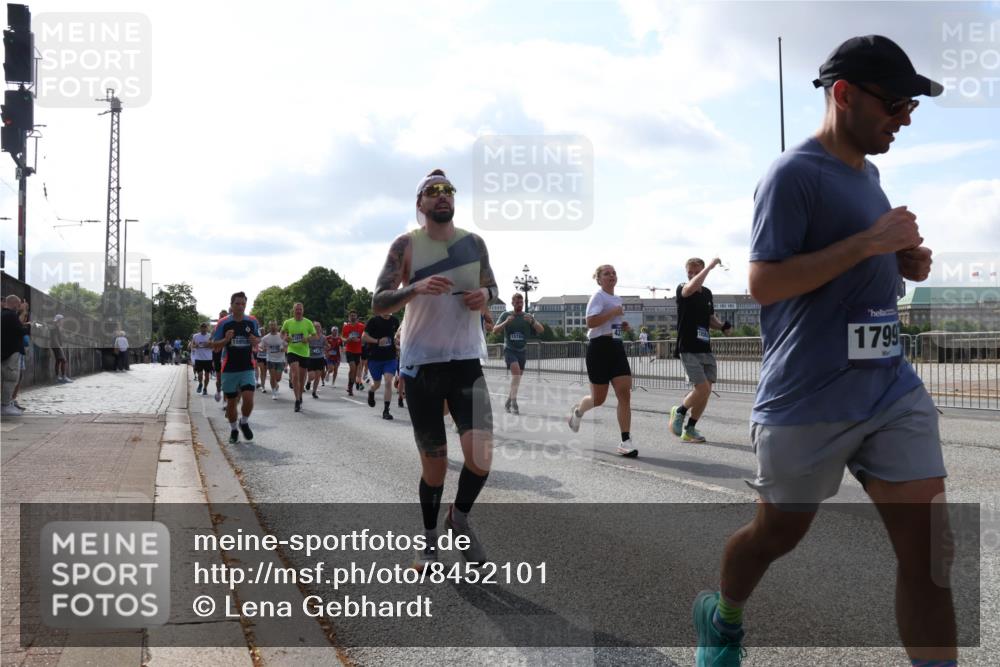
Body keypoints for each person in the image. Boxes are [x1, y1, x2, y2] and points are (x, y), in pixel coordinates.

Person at [693, 36, 953, 667]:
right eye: (895, 104)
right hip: (808, 397)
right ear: (844, 94)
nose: (906, 118)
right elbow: (765, 283)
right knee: (776, 534)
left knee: (931, 553)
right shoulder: (792, 175)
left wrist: (902, 260)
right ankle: (723, 615)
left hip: (889, 388)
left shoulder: (873, 176)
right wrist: (870, 244)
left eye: (911, 106)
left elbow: (869, 258)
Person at [372, 168, 497, 572]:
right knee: (436, 464)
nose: (442, 196)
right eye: (433, 191)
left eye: (448, 190)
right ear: (420, 203)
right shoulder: (406, 246)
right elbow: (379, 301)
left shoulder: (473, 243)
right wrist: (415, 288)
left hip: (465, 361)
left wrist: (484, 296)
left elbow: (491, 286)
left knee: (481, 457)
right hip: (421, 364)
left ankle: (458, 518)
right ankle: (428, 543)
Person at [567, 265, 638, 457]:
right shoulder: (598, 297)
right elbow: (590, 322)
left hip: (615, 346)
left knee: (624, 394)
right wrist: (614, 312)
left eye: (614, 272)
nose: (612, 275)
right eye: (607, 273)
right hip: (598, 348)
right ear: (599, 280)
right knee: (598, 399)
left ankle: (625, 440)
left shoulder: (616, 299)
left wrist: (619, 326)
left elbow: (609, 324)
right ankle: (578, 412)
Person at [669, 257, 733, 443]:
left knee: (707, 390)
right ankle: (679, 410)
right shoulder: (683, 288)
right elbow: (690, 289)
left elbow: (710, 318)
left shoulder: (707, 293)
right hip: (688, 346)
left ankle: (690, 429)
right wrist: (710, 267)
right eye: (690, 272)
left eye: (696, 272)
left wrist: (722, 327)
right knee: (702, 388)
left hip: (705, 346)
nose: (693, 275)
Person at [211, 292, 260, 444]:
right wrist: (226, 339)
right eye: (237, 304)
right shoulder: (223, 323)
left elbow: (257, 341)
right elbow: (214, 345)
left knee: (248, 398)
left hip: (247, 366)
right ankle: (233, 429)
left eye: (243, 304)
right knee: (231, 404)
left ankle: (244, 422)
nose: (240, 307)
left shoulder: (252, 321)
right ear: (231, 305)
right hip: (229, 368)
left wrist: (254, 340)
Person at [492, 293, 543, 415]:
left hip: (522, 351)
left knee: (517, 379)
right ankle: (514, 401)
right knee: (516, 375)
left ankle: (508, 400)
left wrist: (532, 322)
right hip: (509, 349)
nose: (519, 304)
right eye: (517, 302)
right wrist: (506, 323)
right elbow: (494, 330)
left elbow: (541, 330)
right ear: (512, 303)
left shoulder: (528, 316)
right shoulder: (506, 315)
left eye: (521, 302)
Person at [362, 312, 401, 420]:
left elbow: (398, 336)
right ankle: (371, 391)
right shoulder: (373, 321)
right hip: (375, 358)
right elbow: (364, 337)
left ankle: (386, 410)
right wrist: (378, 341)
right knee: (377, 384)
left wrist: (398, 343)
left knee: (388, 382)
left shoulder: (394, 320)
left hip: (390, 358)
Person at [281, 302, 316, 412]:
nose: (298, 311)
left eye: (300, 309)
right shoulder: (288, 322)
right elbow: (282, 333)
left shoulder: (308, 322)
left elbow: (314, 335)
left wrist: (308, 338)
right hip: (292, 351)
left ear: (303, 310)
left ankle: (300, 396)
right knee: (295, 375)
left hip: (304, 352)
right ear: (293, 310)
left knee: (301, 378)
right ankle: (296, 400)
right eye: (297, 309)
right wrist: (285, 338)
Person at [2, 295, 31, 416]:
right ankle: (5, 405)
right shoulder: (10, 315)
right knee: (11, 378)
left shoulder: (4, 315)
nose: (19, 307)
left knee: (7, 378)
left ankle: (5, 404)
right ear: (14, 304)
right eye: (19, 304)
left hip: (5, 351)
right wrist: (30, 326)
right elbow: (20, 331)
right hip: (11, 351)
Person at [259, 321, 286, 400]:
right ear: (269, 327)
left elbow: (287, 346)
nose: (273, 327)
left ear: (277, 326)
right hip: (270, 359)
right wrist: (262, 349)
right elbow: (260, 346)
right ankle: (274, 393)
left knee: (278, 378)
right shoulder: (265, 338)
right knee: (272, 376)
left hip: (280, 359)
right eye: (271, 325)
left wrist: (284, 349)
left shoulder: (281, 336)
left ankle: (276, 384)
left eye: (274, 325)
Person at [342, 310, 365, 395]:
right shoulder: (346, 327)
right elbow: (343, 339)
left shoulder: (362, 326)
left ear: (357, 317)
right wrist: (348, 339)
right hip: (349, 350)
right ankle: (350, 386)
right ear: (349, 317)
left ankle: (350, 385)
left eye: (354, 315)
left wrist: (360, 340)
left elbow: (364, 337)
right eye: (351, 315)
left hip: (358, 351)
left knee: (354, 371)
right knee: (352, 368)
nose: (353, 317)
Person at [306, 321, 327, 399]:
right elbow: (305, 344)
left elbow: (326, 345)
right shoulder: (310, 336)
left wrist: (327, 346)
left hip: (320, 358)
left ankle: (314, 392)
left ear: (321, 328)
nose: (317, 328)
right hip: (311, 358)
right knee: (312, 376)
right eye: (315, 327)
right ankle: (308, 382)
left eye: (318, 327)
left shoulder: (324, 337)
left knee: (318, 376)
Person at [191, 323, 214, 395]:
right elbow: (192, 345)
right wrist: (196, 345)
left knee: (207, 375)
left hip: (208, 358)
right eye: (202, 327)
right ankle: (200, 383)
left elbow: (213, 346)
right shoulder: (196, 336)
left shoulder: (210, 336)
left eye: (205, 327)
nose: (203, 329)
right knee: (200, 374)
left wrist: (209, 345)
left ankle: (205, 388)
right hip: (199, 358)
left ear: (207, 328)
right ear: (200, 328)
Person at [51, 314, 72, 383]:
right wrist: (59, 347)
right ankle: (63, 377)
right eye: (62, 320)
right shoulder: (54, 328)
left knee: (58, 361)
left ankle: (57, 378)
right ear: (59, 320)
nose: (63, 321)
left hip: (55, 346)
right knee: (64, 360)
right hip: (56, 346)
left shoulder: (57, 327)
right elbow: (55, 338)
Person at [325, 325, 343, 390]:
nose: (335, 332)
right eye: (334, 331)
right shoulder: (327, 338)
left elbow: (341, 348)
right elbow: (324, 346)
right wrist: (326, 352)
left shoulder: (339, 339)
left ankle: (333, 383)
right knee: (331, 369)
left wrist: (340, 356)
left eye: (336, 331)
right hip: (329, 356)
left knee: (336, 370)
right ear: (331, 331)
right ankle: (327, 373)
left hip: (337, 356)